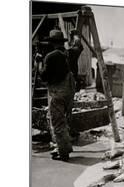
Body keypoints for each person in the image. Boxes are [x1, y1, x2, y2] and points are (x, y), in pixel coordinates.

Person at [40, 29, 76, 161]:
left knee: (57, 123)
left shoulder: (50, 56)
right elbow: (78, 46)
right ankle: (66, 147)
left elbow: (44, 76)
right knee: (64, 121)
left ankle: (63, 153)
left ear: (52, 42)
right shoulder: (69, 53)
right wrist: (75, 35)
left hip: (57, 93)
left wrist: (39, 63)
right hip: (69, 92)